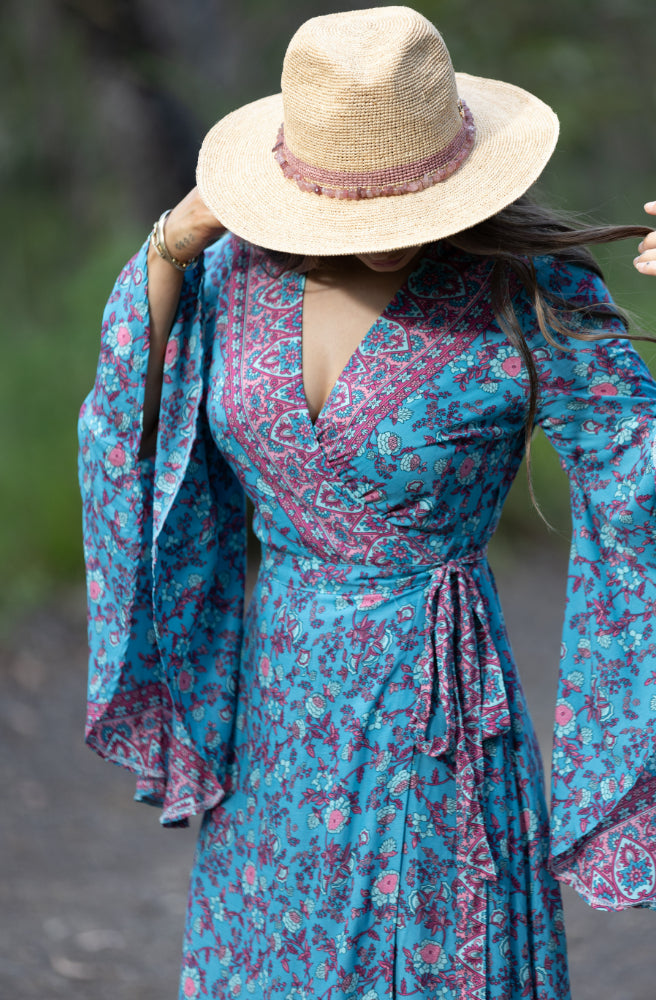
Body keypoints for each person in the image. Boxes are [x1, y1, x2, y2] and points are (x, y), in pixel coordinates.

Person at [78, 8, 656, 1000]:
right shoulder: (229, 277)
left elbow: (639, 474)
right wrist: (171, 242)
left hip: (436, 719)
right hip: (279, 720)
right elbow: (125, 434)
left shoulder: (527, 288)